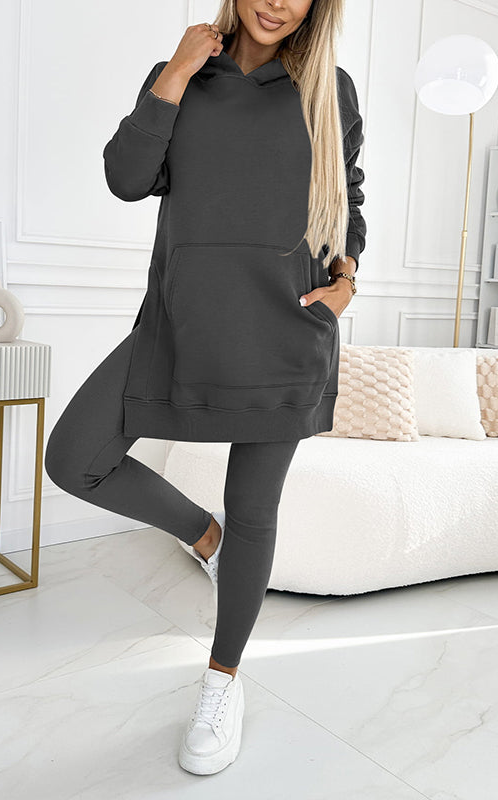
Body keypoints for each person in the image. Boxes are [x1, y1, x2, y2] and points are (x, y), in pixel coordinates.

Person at [44, 0, 366, 776]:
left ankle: (222, 682)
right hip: (179, 321)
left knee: (255, 509)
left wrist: (348, 276)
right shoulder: (180, 74)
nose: (278, 3)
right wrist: (176, 75)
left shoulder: (330, 88)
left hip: (287, 325)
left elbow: (347, 194)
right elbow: (126, 179)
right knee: (74, 457)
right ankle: (205, 537)